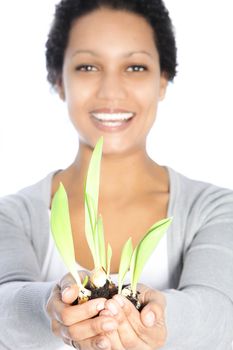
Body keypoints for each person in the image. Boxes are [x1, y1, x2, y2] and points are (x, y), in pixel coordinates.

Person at [0, 0, 233, 349]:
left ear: (163, 80)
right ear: (58, 80)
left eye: (136, 67)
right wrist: (51, 310)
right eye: (88, 66)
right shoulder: (12, 216)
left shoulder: (214, 208)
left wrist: (157, 317)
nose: (111, 92)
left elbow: (220, 316)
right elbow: (5, 307)